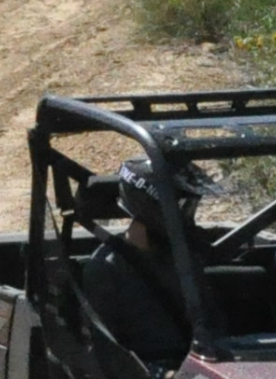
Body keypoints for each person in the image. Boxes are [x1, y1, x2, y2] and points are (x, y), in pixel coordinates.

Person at [80, 156, 217, 367]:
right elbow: (106, 354)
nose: (187, 216)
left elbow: (212, 325)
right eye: (182, 206)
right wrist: (160, 375)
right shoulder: (105, 269)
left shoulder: (185, 258)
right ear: (153, 207)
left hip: (199, 372)